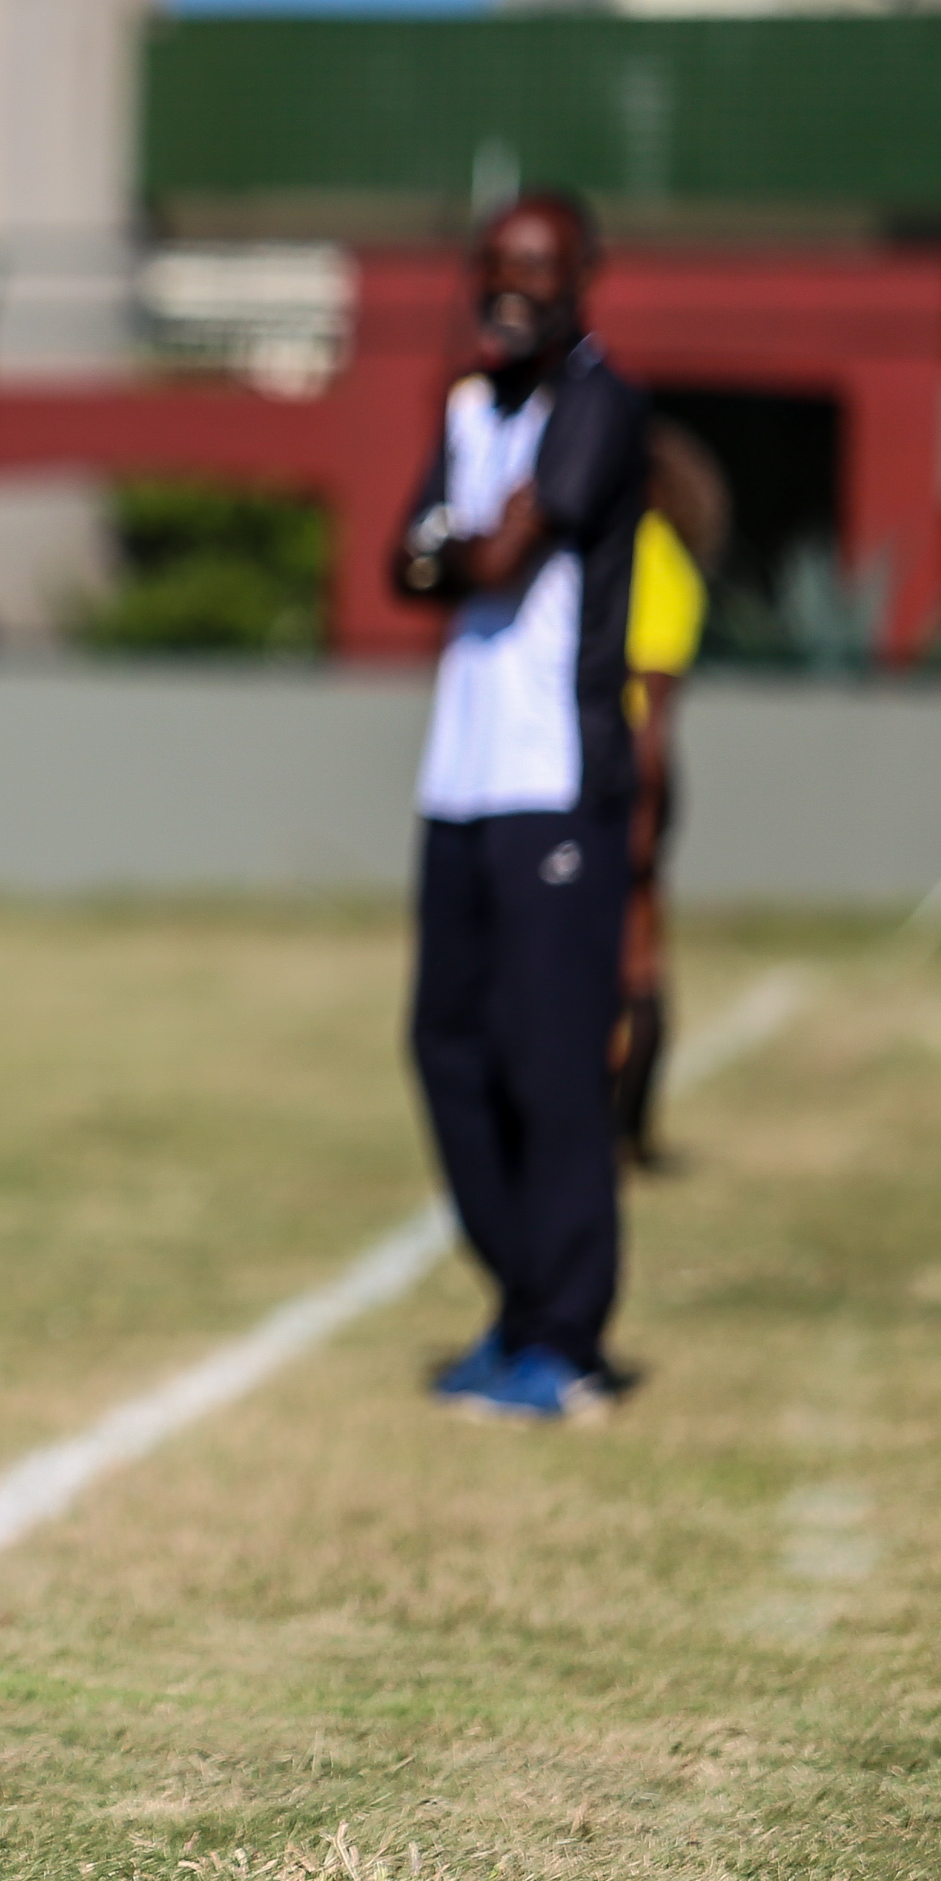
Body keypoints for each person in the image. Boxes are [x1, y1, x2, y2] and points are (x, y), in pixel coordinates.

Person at [394, 189, 650, 1423]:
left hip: (559, 778)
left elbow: (491, 561)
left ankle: (573, 1343)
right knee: (447, 1045)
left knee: (553, 1068)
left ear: (583, 275)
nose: (514, 286)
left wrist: (458, 545)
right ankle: (519, 1299)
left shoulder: (600, 403)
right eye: (496, 264)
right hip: (461, 778)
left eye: (539, 267)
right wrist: (455, 541)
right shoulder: (463, 406)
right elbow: (410, 562)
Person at [611, 423, 730, 1167]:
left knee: (628, 953)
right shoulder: (635, 559)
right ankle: (625, 1129)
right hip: (621, 774)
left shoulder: (652, 562)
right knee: (632, 949)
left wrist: (641, 809)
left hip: (624, 776)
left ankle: (623, 1128)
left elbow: (654, 708)